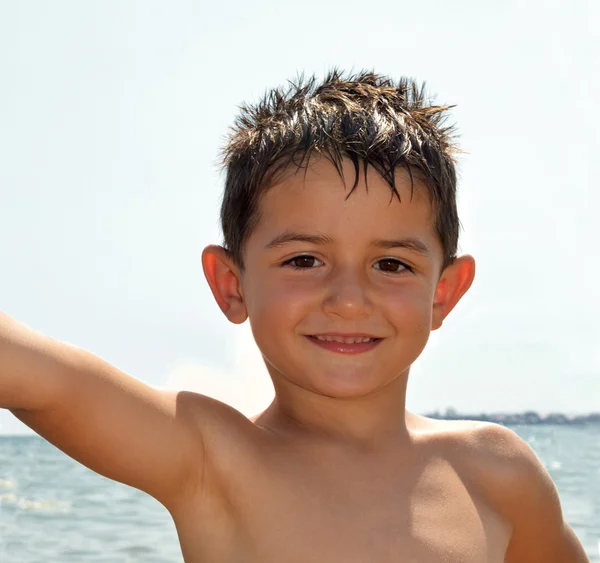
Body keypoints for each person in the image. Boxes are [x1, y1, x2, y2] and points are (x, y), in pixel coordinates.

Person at [1, 69, 589, 562]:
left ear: (444, 293)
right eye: (305, 259)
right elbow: (45, 381)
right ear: (231, 284)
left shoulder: (496, 472)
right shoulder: (212, 460)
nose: (349, 298)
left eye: (391, 264)